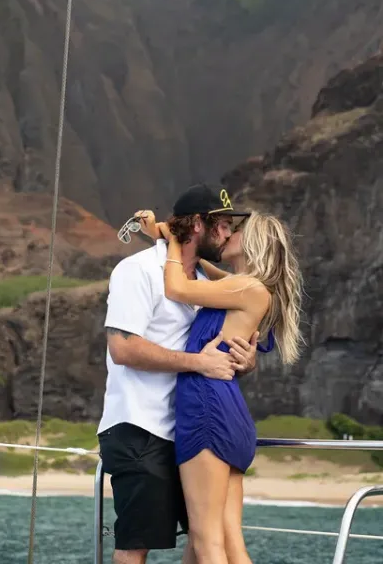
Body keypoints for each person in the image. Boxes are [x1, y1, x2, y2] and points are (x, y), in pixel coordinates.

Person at [97, 184, 260, 564]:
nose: (229, 234)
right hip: (140, 429)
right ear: (200, 225)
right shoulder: (136, 271)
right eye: (223, 225)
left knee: (206, 539)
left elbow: (221, 351)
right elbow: (122, 349)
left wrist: (245, 361)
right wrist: (198, 363)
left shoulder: (206, 284)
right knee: (135, 546)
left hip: (194, 430)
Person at [139, 207, 303, 564]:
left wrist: (175, 240)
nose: (227, 235)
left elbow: (176, 287)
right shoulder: (245, 288)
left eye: (236, 231)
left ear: (252, 243)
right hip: (227, 413)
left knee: (207, 539)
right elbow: (209, 276)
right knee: (227, 540)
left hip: (205, 409)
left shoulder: (246, 288)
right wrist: (170, 238)